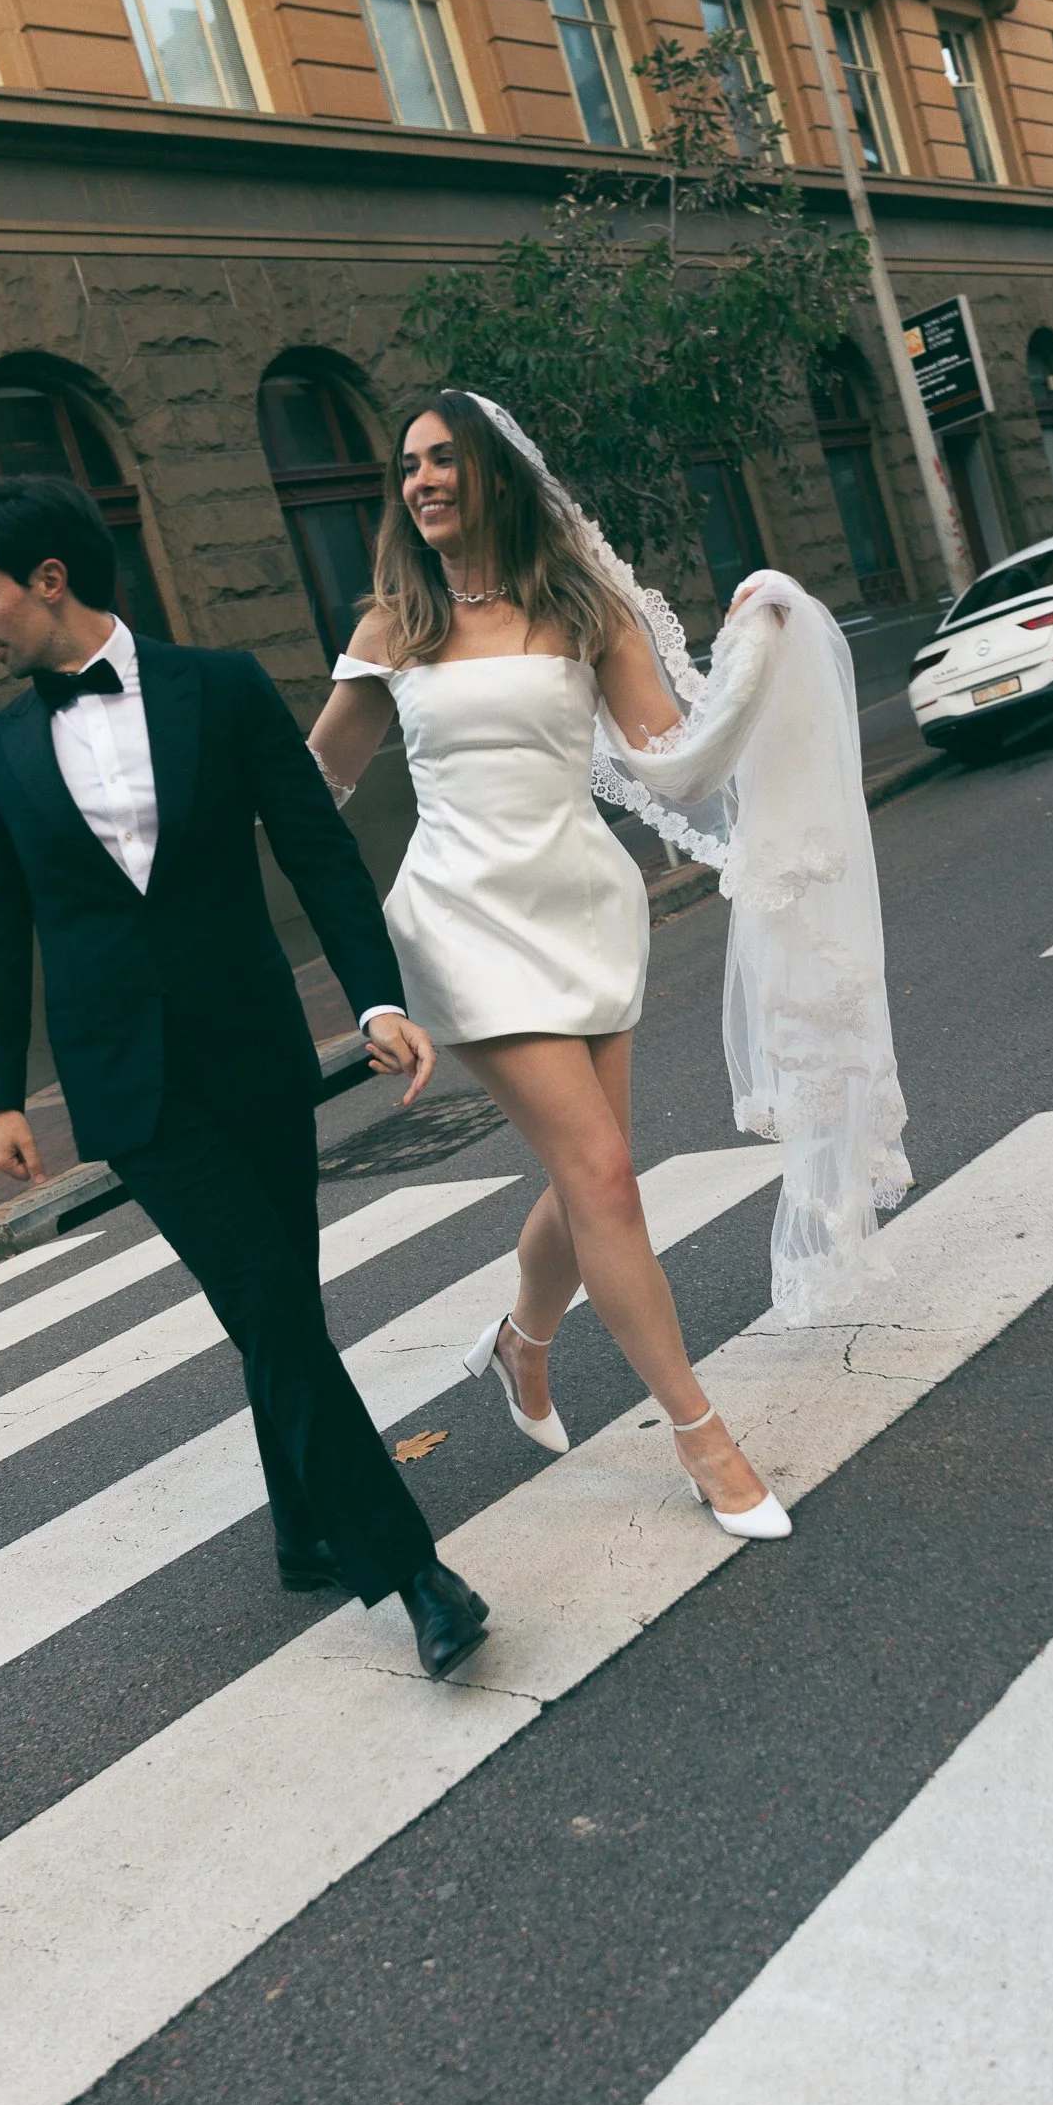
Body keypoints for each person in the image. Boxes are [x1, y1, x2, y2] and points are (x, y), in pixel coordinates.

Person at [309, 392, 910, 1539]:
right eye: (406, 468)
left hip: (584, 909)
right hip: (459, 922)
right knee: (605, 1179)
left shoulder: (585, 609)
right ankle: (702, 1437)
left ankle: (520, 1344)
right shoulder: (395, 627)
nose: (420, 481)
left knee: (594, 1177)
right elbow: (313, 785)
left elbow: (677, 770)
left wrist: (752, 654)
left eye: (442, 460)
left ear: (493, 471)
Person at [0, 473, 489, 1681]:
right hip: (133, 1091)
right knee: (274, 1304)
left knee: (278, 1300)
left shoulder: (221, 688)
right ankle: (413, 1573)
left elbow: (315, 848)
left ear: (50, 580)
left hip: (252, 1055)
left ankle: (302, 1529)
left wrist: (377, 1000)